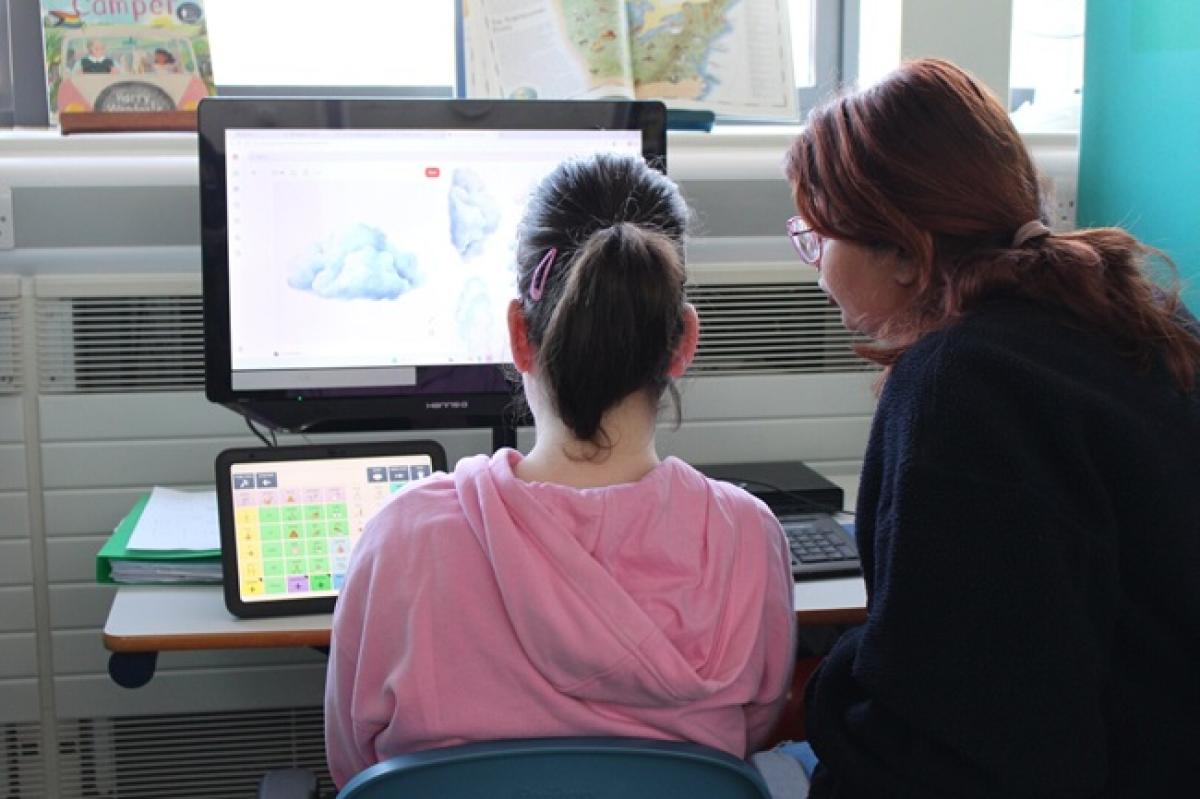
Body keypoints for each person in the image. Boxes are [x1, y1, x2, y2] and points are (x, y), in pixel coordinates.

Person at [777, 58, 1200, 797]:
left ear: (905, 249)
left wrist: (831, 689)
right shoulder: (1147, 329)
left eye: (817, 237)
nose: (816, 270)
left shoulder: (958, 391)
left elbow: (955, 745)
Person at [324, 153, 797, 788]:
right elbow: (753, 732)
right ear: (684, 342)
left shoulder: (401, 538)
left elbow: (355, 761)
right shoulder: (747, 536)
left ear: (518, 335)